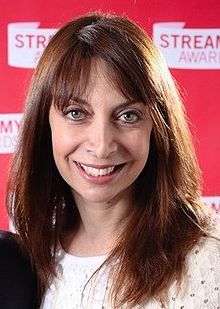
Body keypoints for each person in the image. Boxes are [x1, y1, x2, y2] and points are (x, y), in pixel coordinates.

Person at [4, 11, 220, 309]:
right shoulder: (24, 263)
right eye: (76, 113)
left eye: (128, 115)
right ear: (45, 123)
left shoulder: (210, 258)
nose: (102, 145)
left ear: (158, 127)